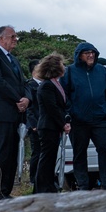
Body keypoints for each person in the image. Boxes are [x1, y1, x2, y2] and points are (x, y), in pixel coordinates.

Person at [61, 42, 106, 191]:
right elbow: (64, 94)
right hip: (78, 121)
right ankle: (83, 186)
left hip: (99, 119)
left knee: (104, 151)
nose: (91, 55)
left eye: (93, 52)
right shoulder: (70, 72)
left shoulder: (102, 70)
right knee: (79, 154)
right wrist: (71, 112)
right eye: (87, 53)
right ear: (79, 55)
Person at [0, 26, 30, 201]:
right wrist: (18, 99)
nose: (15, 39)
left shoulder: (14, 60)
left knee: (11, 154)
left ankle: (6, 191)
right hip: (0, 112)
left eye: (16, 37)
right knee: (1, 153)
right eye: (12, 36)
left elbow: (24, 83)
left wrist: (27, 99)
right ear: (1, 39)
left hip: (16, 113)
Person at [33, 53, 70, 194]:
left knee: (50, 158)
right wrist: (63, 124)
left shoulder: (55, 83)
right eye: (61, 64)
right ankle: (42, 188)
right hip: (48, 126)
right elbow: (52, 108)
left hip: (53, 127)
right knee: (46, 159)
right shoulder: (47, 86)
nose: (64, 67)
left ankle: (48, 186)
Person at [24, 58, 42, 189]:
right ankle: (33, 177)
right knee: (36, 151)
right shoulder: (30, 85)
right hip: (35, 125)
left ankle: (42, 176)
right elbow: (29, 107)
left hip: (46, 123)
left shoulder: (45, 84)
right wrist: (33, 124)